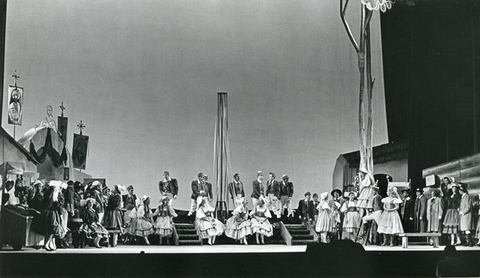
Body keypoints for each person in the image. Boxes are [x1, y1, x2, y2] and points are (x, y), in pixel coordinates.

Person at [42, 181, 68, 251]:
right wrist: (61, 214)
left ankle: (50, 244)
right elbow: (57, 205)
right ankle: (47, 244)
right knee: (54, 229)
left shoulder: (48, 193)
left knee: (51, 229)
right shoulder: (54, 195)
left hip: (49, 212)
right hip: (53, 213)